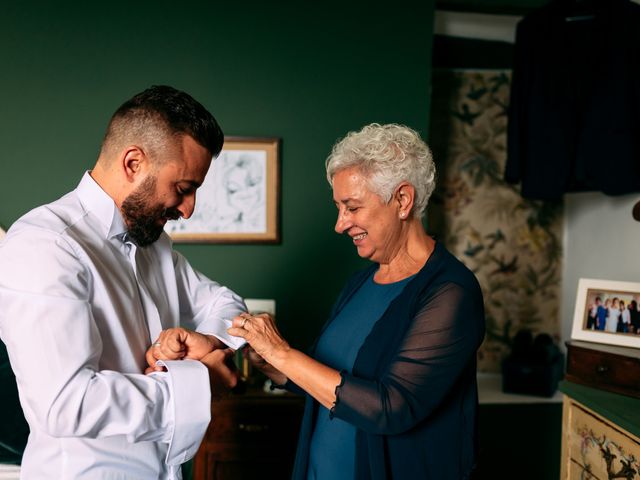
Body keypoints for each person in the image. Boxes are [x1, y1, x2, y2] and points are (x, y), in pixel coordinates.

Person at [155, 123, 486, 478]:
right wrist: (267, 359)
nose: (340, 224)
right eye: (339, 207)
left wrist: (282, 351)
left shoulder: (451, 291)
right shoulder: (362, 281)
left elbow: (392, 407)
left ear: (402, 200)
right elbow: (323, 378)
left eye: (352, 207)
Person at [0, 86, 247, 479]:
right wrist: (200, 382)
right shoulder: (45, 245)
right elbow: (67, 404)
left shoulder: (155, 246)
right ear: (133, 163)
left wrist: (210, 343)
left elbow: (226, 303)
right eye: (183, 189)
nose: (189, 208)